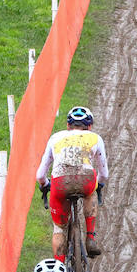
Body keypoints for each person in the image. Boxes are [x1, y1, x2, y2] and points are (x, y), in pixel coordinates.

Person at [37, 106, 108, 261]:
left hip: (60, 183)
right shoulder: (95, 138)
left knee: (59, 229)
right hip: (85, 180)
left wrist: (45, 184)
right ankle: (90, 237)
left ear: (68, 126)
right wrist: (99, 185)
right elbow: (104, 174)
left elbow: (40, 175)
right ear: (89, 126)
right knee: (91, 191)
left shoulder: (55, 138)